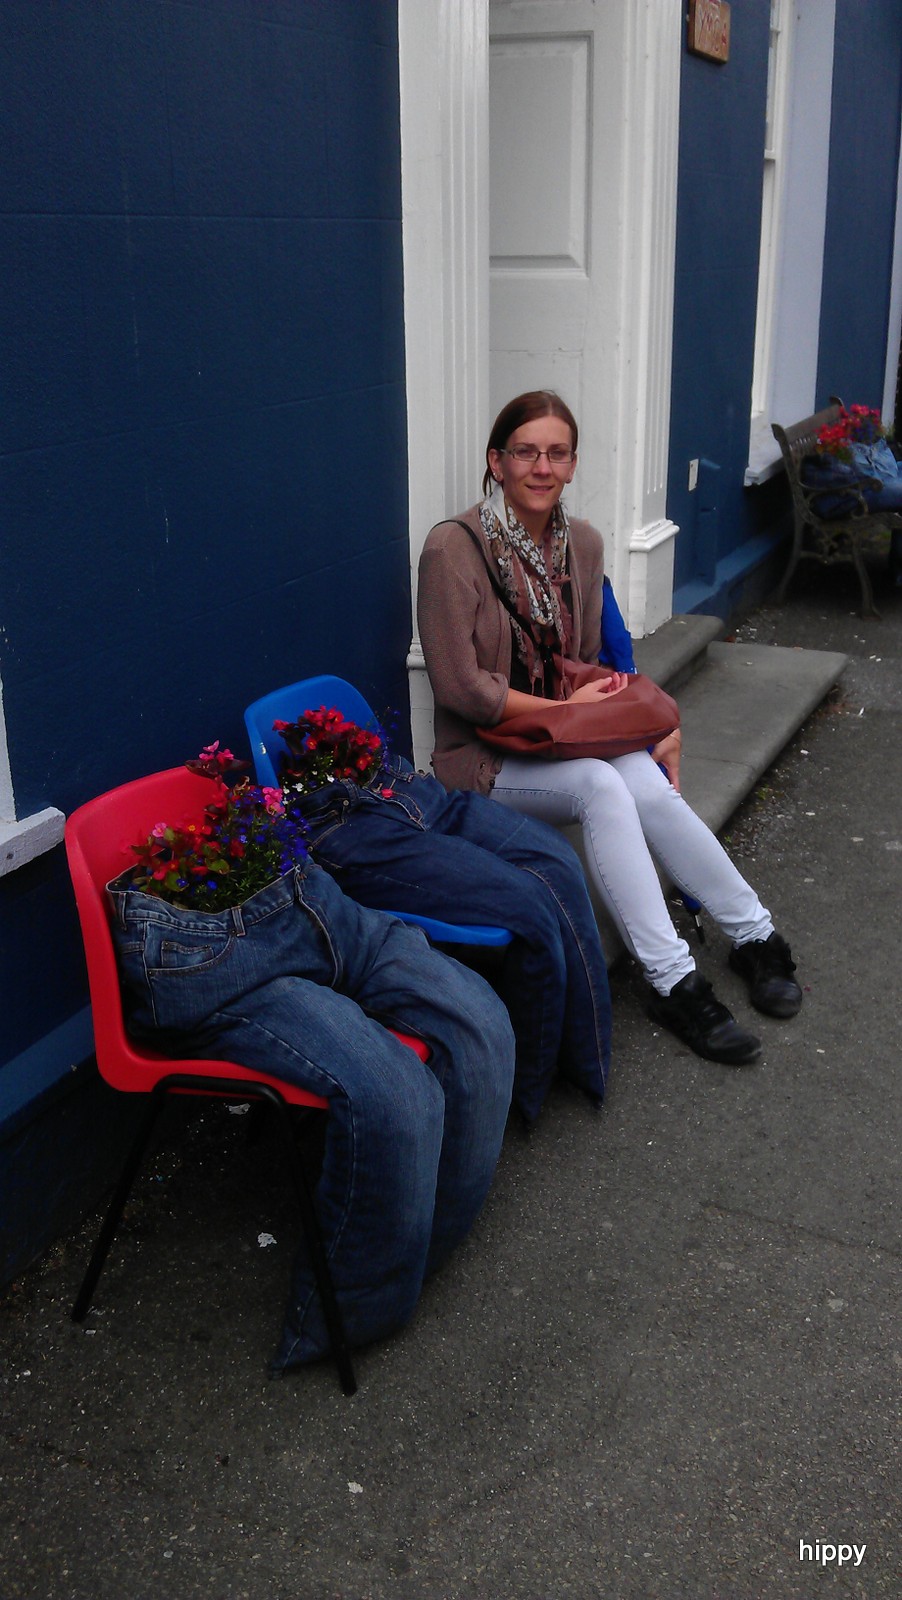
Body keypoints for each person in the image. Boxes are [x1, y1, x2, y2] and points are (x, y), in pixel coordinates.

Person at [417, 389, 803, 1067]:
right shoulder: (454, 549)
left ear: (572, 464)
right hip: (483, 754)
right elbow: (460, 689)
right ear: (497, 462)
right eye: (526, 452)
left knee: (643, 779)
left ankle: (755, 935)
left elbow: (590, 659)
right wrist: (566, 713)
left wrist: (640, 724)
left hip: (565, 738)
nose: (542, 467)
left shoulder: (583, 544)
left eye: (557, 453)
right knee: (602, 786)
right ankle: (673, 980)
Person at [110, 799, 516, 1373]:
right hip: (221, 958)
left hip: (304, 906)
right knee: (398, 1096)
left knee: (482, 1023)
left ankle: (423, 1248)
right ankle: (348, 1318)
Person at [267, 710, 612, 1126]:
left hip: (389, 783)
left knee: (558, 859)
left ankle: (583, 1056)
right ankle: (525, 1086)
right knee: (530, 903)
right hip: (342, 822)